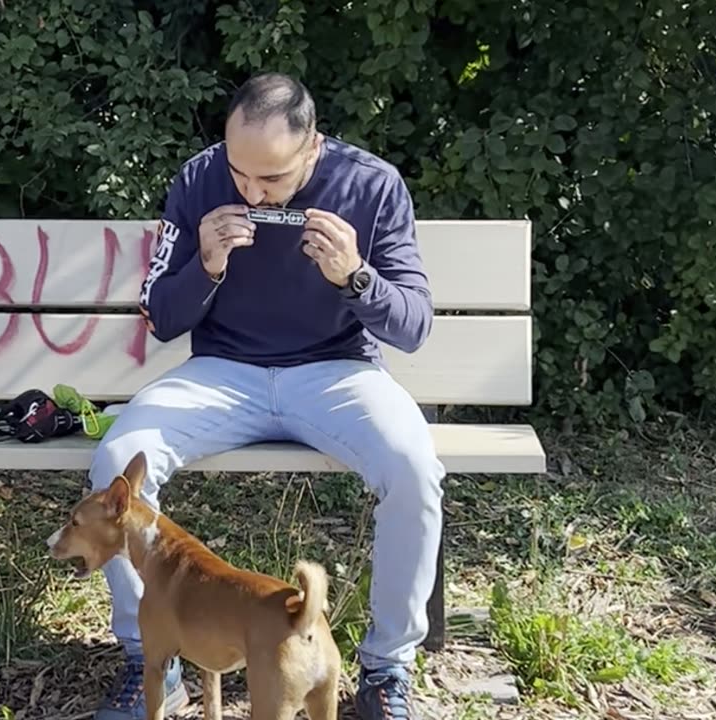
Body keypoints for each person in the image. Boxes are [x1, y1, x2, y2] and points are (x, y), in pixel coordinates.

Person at [87, 73, 445, 720]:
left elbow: (413, 325)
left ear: (313, 150)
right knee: (119, 461)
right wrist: (207, 266)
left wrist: (355, 276)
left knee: (414, 468)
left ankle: (386, 674)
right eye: (240, 173)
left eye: (272, 181)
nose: (251, 192)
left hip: (337, 371)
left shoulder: (371, 185)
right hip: (224, 371)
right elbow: (163, 316)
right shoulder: (199, 179)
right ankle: (152, 664)